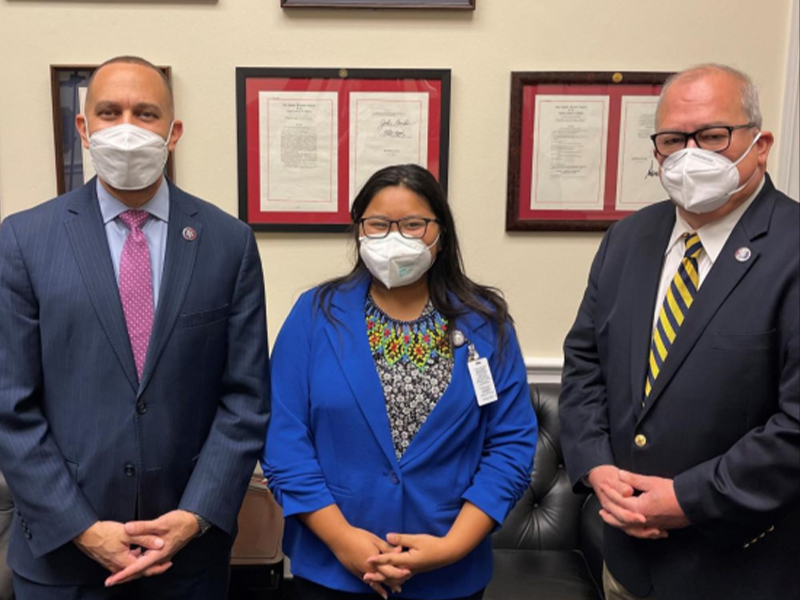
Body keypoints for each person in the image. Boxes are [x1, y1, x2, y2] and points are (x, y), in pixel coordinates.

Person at [0, 56, 270, 599]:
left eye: (146, 114)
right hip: (60, 562)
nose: (127, 127)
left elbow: (245, 401)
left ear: (174, 133)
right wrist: (81, 527)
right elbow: (11, 405)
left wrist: (195, 516)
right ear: (84, 128)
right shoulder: (24, 241)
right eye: (109, 111)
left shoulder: (228, 243)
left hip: (187, 560)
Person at [559, 63, 800, 600]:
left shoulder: (792, 248)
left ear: (759, 144)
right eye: (673, 139)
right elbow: (584, 366)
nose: (691, 154)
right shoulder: (627, 239)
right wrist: (597, 467)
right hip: (625, 562)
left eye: (713, 136)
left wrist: (690, 499)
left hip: (741, 567)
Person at [263, 164, 537, 600]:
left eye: (413, 224)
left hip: (450, 572)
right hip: (332, 567)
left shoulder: (487, 322)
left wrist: (451, 547)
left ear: (440, 233)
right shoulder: (315, 314)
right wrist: (343, 540)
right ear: (359, 231)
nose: (395, 237)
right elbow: (285, 442)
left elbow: (511, 446)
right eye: (378, 224)